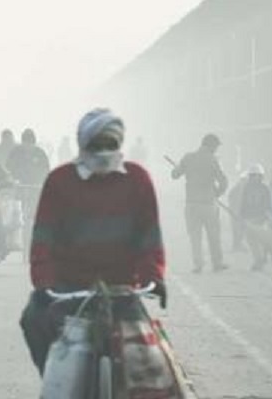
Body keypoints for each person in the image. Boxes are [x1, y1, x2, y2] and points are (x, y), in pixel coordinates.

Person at [20, 108, 166, 375]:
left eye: (109, 144)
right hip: (68, 290)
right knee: (32, 320)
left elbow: (149, 238)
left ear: (120, 144)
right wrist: (44, 284)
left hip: (121, 291)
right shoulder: (60, 181)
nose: (102, 152)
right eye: (95, 145)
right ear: (82, 145)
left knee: (155, 363)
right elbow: (43, 241)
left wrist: (154, 277)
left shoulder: (138, 180)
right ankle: (51, 375)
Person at [171, 133, 229, 273]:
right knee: (213, 235)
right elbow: (223, 181)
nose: (216, 149)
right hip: (209, 203)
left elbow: (174, 175)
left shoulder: (188, 157)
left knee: (195, 236)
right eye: (216, 146)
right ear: (211, 145)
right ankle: (217, 263)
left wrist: (180, 167)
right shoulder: (213, 159)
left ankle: (198, 264)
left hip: (191, 203)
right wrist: (217, 193)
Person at [238, 164, 272, 270]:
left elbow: (267, 204)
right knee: (252, 241)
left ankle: (260, 260)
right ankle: (259, 259)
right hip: (250, 218)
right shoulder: (249, 188)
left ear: (260, 176)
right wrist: (241, 216)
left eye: (255, 176)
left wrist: (265, 216)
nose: (253, 178)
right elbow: (243, 203)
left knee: (257, 240)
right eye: (251, 176)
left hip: (259, 218)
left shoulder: (263, 188)